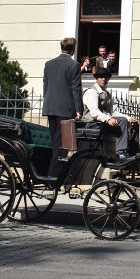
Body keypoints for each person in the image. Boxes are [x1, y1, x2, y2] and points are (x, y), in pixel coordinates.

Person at [42, 37, 83, 178]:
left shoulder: (49, 64)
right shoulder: (73, 65)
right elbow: (76, 89)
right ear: (73, 50)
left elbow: (45, 86)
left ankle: (54, 173)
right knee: (62, 145)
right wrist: (79, 110)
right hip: (65, 109)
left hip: (50, 107)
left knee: (55, 142)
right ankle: (53, 176)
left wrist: (48, 102)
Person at [83, 66, 138, 165]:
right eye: (101, 77)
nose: (104, 79)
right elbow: (94, 112)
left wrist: (129, 118)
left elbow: (114, 112)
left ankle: (131, 152)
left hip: (102, 122)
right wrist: (108, 119)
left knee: (129, 123)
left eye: (106, 77)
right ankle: (120, 153)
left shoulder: (107, 94)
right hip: (92, 123)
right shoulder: (92, 92)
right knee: (121, 122)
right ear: (96, 78)